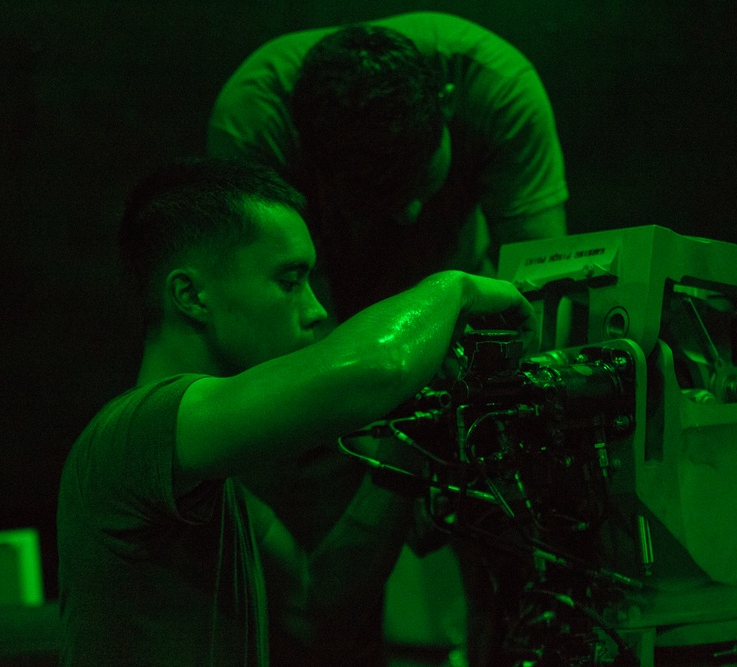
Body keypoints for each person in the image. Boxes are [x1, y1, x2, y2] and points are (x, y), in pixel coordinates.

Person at [55, 157, 537, 666]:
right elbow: (376, 366)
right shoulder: (132, 432)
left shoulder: (214, 486)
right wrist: (455, 288)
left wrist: (411, 450)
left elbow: (315, 609)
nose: (315, 310)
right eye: (289, 281)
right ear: (191, 295)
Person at [208, 12, 569, 321]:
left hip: (464, 308)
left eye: (422, 177)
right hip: (334, 317)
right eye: (379, 196)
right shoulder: (256, 127)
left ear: (446, 103)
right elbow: (286, 318)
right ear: (314, 157)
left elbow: (545, 287)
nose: (409, 214)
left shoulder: (501, 93)